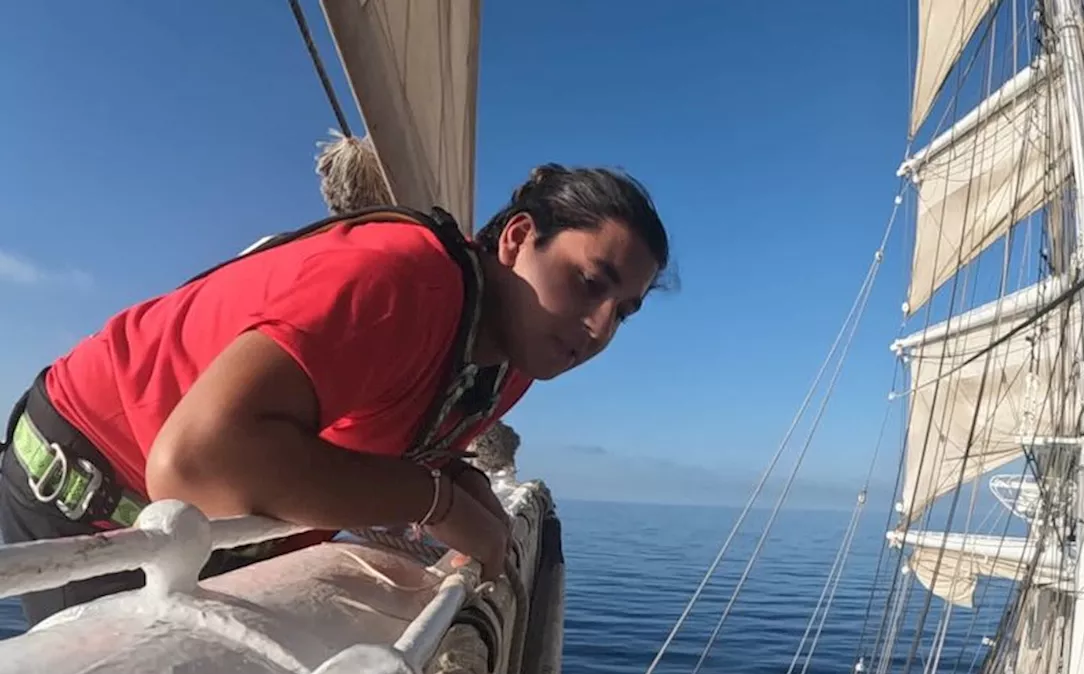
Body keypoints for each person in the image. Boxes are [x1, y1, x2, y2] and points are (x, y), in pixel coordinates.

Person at [0, 163, 671, 625]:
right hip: (84, 491)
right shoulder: (397, 280)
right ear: (519, 238)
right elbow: (197, 463)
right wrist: (431, 500)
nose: (599, 328)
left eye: (626, 311)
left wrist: (448, 472)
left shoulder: (517, 358)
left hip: (209, 529)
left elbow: (383, 418)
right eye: (590, 282)